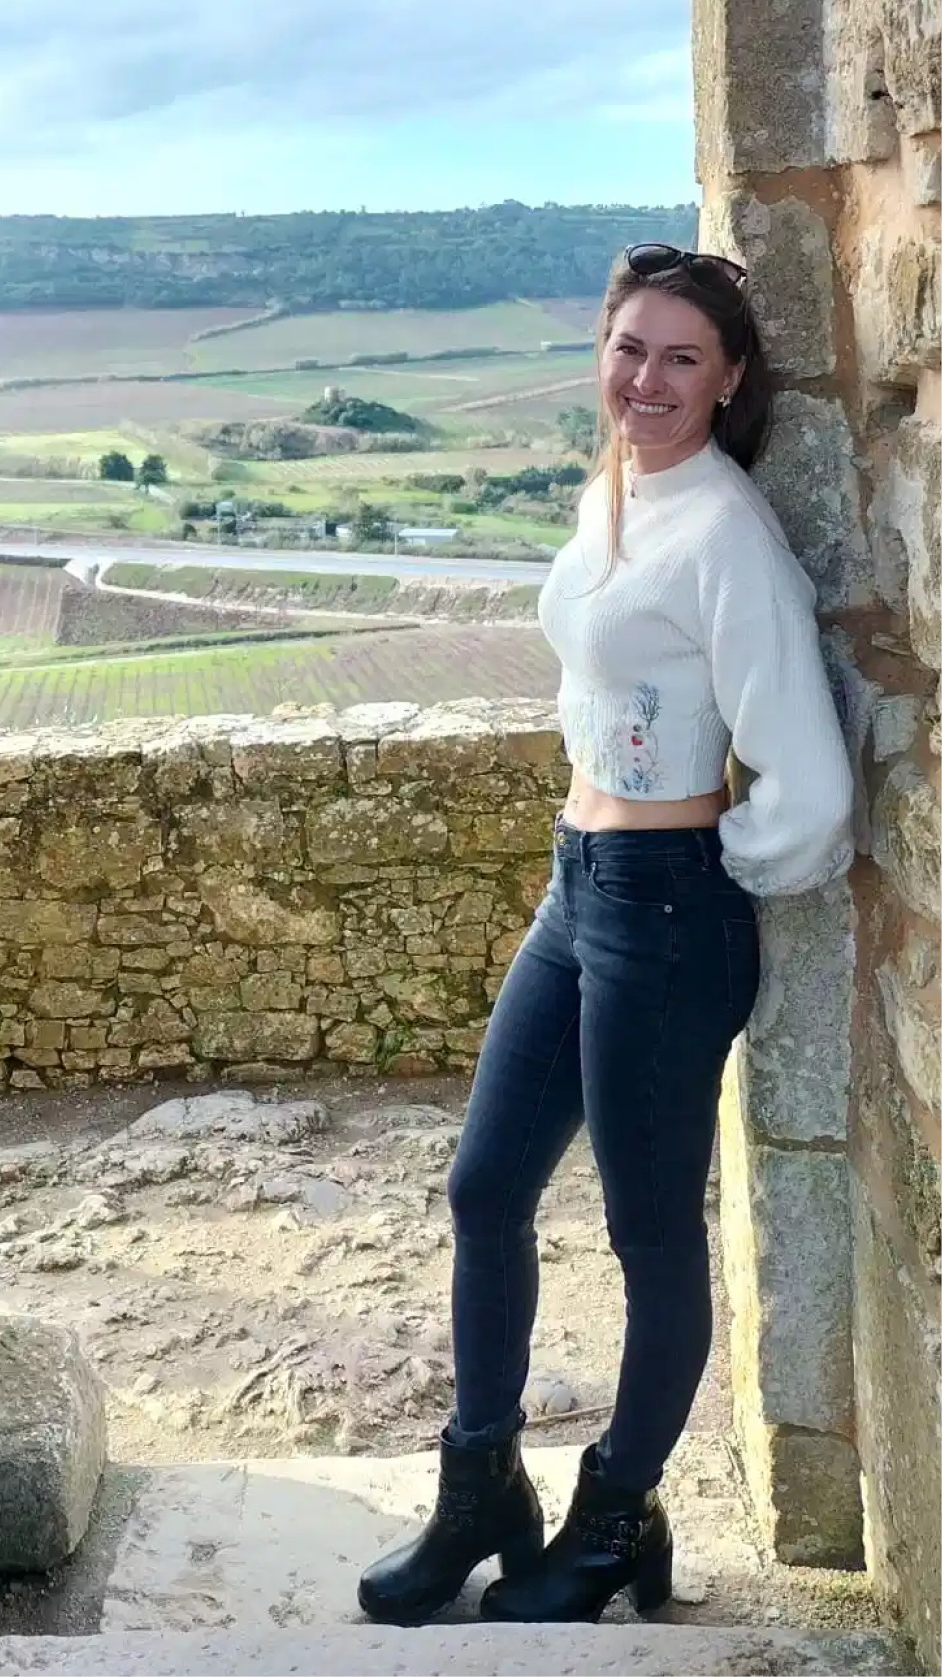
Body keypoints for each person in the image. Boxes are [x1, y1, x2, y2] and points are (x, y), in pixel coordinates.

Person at [357, 243, 855, 1627]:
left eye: (683, 357)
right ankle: (481, 1493)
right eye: (630, 347)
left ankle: (617, 1514)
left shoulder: (729, 541)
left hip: (665, 908)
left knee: (647, 1233)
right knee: (484, 1191)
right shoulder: (616, 494)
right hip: (576, 887)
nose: (648, 377)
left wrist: (701, 868)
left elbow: (810, 789)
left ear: (731, 379)